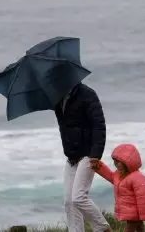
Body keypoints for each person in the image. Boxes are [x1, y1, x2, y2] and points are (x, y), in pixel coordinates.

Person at [55, 83, 112, 232]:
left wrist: (96, 155)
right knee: (69, 202)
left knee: (78, 197)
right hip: (71, 156)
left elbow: (99, 125)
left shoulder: (87, 95)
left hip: (88, 154)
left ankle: (102, 227)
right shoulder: (57, 96)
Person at [91, 143, 145, 232]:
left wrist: (143, 215)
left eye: (120, 162)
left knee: (130, 229)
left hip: (134, 213)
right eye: (116, 162)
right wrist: (99, 167)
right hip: (130, 212)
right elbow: (111, 176)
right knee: (140, 228)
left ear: (129, 163)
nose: (117, 165)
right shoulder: (118, 175)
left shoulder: (138, 178)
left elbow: (143, 199)